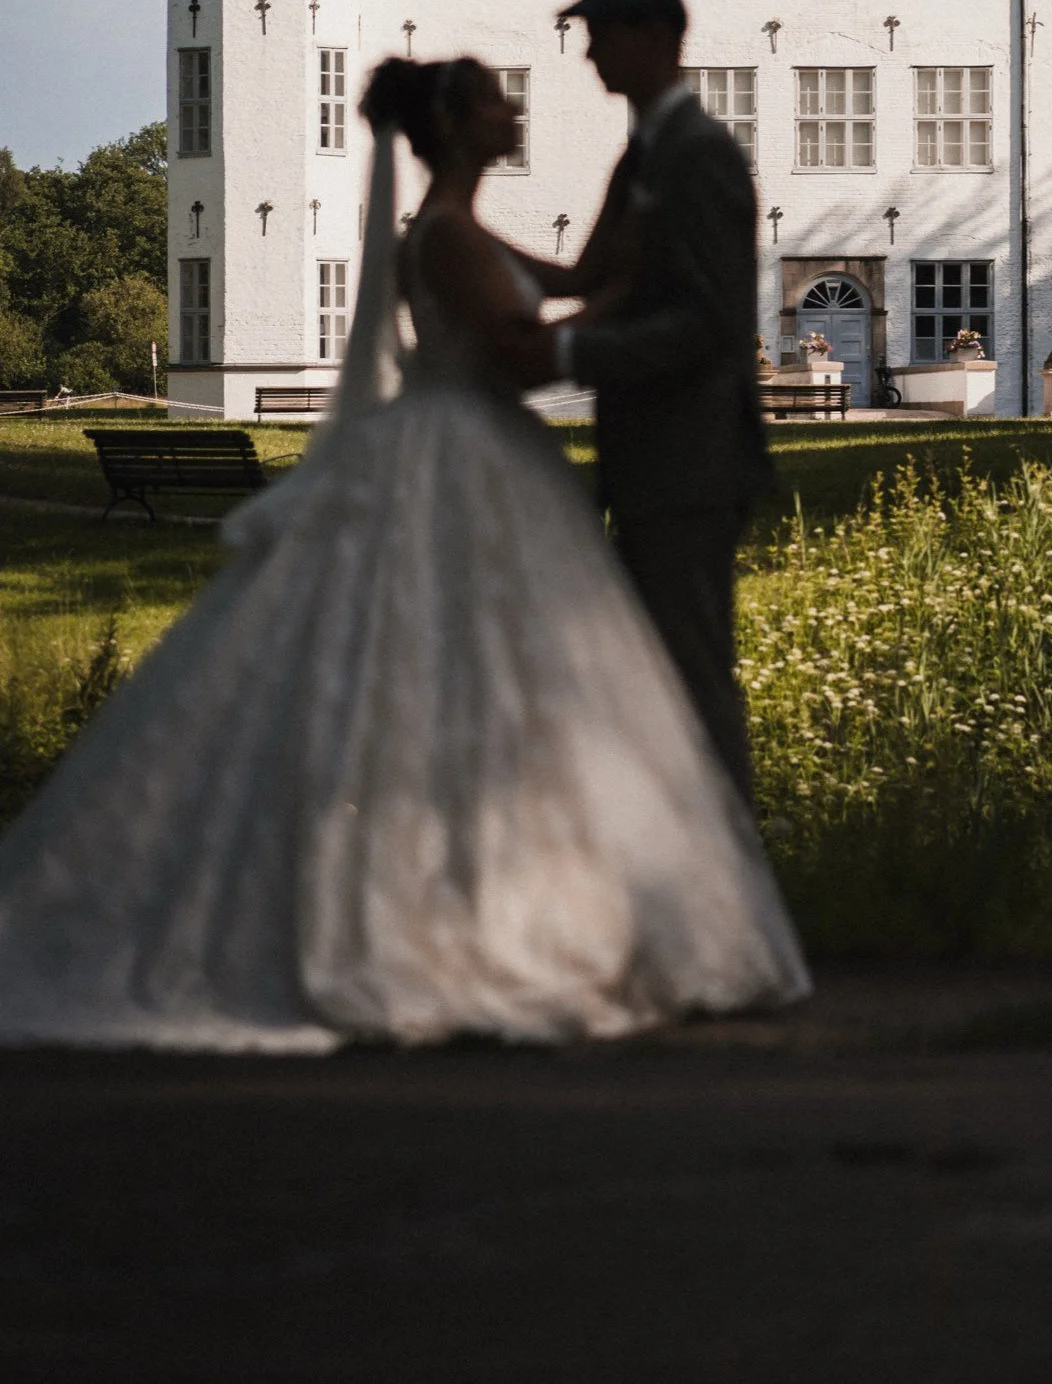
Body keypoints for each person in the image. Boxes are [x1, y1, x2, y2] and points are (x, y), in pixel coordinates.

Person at [0, 56, 807, 1051]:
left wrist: (636, 180)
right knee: (474, 665)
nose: (514, 109)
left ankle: (479, 886)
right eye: (496, 99)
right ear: (458, 124)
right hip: (462, 449)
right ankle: (456, 906)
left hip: (480, 447)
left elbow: (579, 277)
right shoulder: (448, 236)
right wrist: (615, 316)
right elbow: (521, 350)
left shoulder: (459, 227)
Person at [534, 0, 771, 801]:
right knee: (654, 678)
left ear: (654, 38)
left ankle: (732, 853)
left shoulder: (697, 155)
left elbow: (708, 324)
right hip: (652, 462)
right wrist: (454, 245)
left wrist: (570, 354)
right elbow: (589, 274)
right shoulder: (644, 152)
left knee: (693, 676)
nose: (588, 54)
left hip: (691, 462)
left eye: (600, 35)